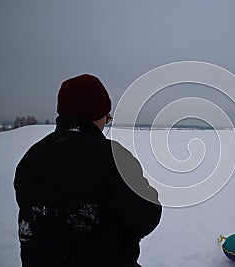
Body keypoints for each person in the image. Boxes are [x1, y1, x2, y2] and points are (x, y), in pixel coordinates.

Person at [14, 74, 162, 267]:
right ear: (98, 115)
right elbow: (147, 216)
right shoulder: (111, 158)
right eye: (107, 117)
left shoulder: (32, 157)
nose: (105, 124)